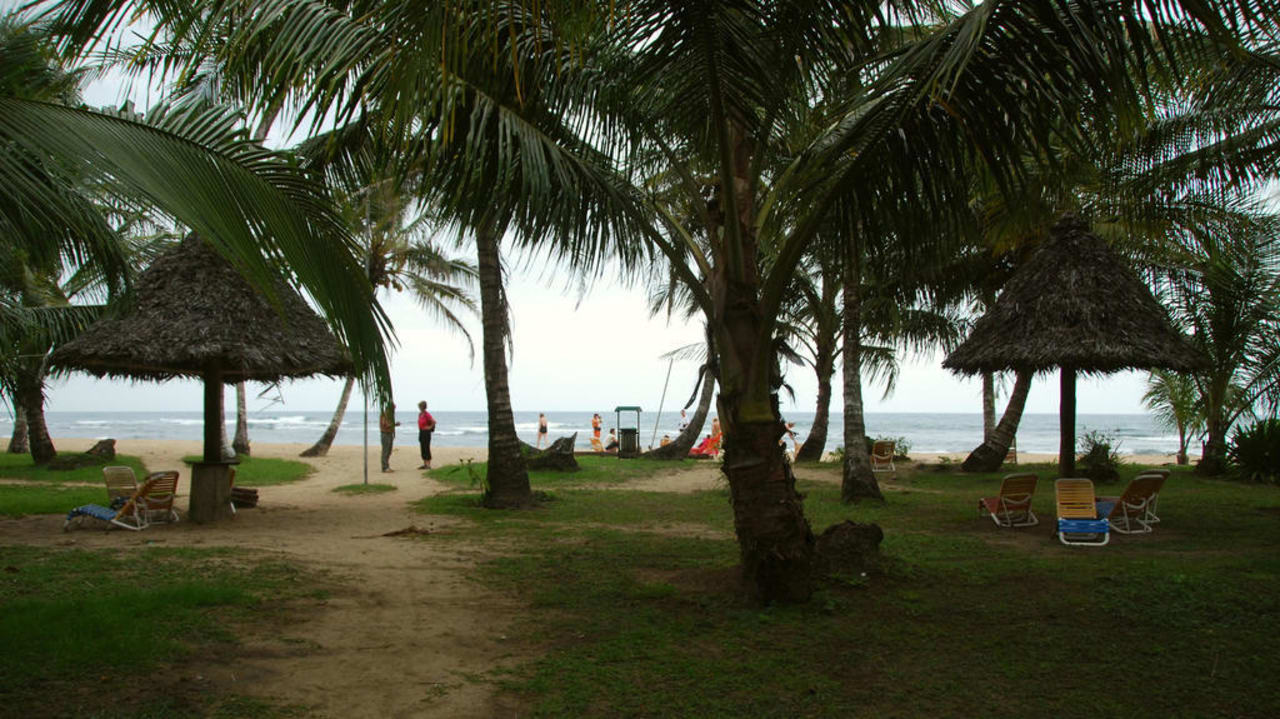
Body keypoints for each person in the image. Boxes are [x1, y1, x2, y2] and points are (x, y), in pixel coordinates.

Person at [379, 402, 401, 472]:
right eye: (393, 408)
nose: (394, 410)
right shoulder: (384, 415)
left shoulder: (390, 415)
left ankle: (387, 465)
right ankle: (385, 467)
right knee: (385, 451)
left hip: (389, 434)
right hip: (385, 434)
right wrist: (394, 424)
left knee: (389, 451)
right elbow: (385, 424)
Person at [417, 400, 436, 470]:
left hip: (426, 433)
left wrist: (429, 427)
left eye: (420, 406)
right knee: (422, 448)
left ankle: (428, 465)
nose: (420, 408)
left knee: (426, 447)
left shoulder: (427, 414)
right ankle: (424, 464)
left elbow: (433, 421)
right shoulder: (420, 414)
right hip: (421, 432)